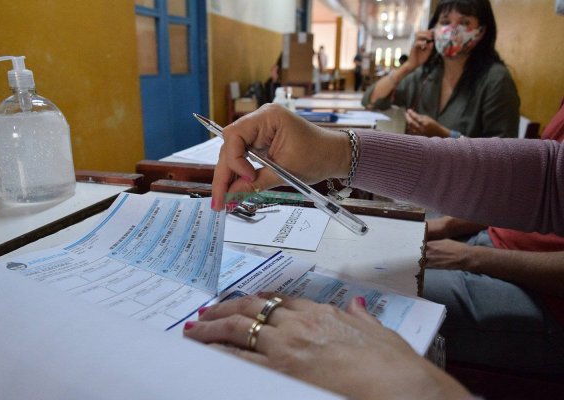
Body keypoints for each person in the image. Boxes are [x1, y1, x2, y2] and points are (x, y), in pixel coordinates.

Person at [183, 103, 563, 399]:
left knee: (348, 299)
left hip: (548, 297)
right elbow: (550, 181)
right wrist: (336, 151)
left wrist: (413, 389)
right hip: (496, 234)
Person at [423, 102, 564, 375]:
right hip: (492, 242)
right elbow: (530, 193)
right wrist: (447, 225)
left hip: (545, 297)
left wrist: (469, 257)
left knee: (384, 295)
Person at [362, 0, 520, 139]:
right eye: (445, 22)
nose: (452, 29)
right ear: (433, 30)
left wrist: (446, 136)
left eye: (464, 22)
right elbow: (371, 101)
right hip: (422, 168)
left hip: (465, 173)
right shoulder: (425, 75)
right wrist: (408, 66)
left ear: (481, 31)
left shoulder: (496, 80)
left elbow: (504, 156)